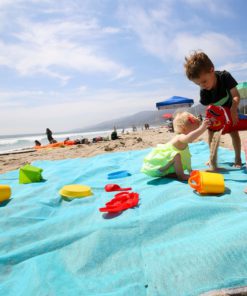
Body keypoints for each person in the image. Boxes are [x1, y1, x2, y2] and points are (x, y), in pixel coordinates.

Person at [184, 51, 241, 169]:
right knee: (210, 133)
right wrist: (212, 120)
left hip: (231, 107)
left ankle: (238, 158)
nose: (202, 86)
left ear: (212, 70)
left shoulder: (225, 77)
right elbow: (209, 107)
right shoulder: (204, 90)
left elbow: (236, 95)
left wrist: (234, 109)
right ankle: (212, 158)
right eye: (198, 84)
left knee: (234, 132)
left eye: (204, 81)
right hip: (216, 112)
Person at [141, 112, 210, 181]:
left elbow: (187, 157)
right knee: (176, 155)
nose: (195, 134)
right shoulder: (180, 137)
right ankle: (181, 176)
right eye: (194, 131)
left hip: (166, 169)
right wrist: (202, 128)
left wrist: (190, 171)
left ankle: (172, 174)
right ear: (183, 128)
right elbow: (189, 138)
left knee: (181, 154)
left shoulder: (184, 141)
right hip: (159, 166)